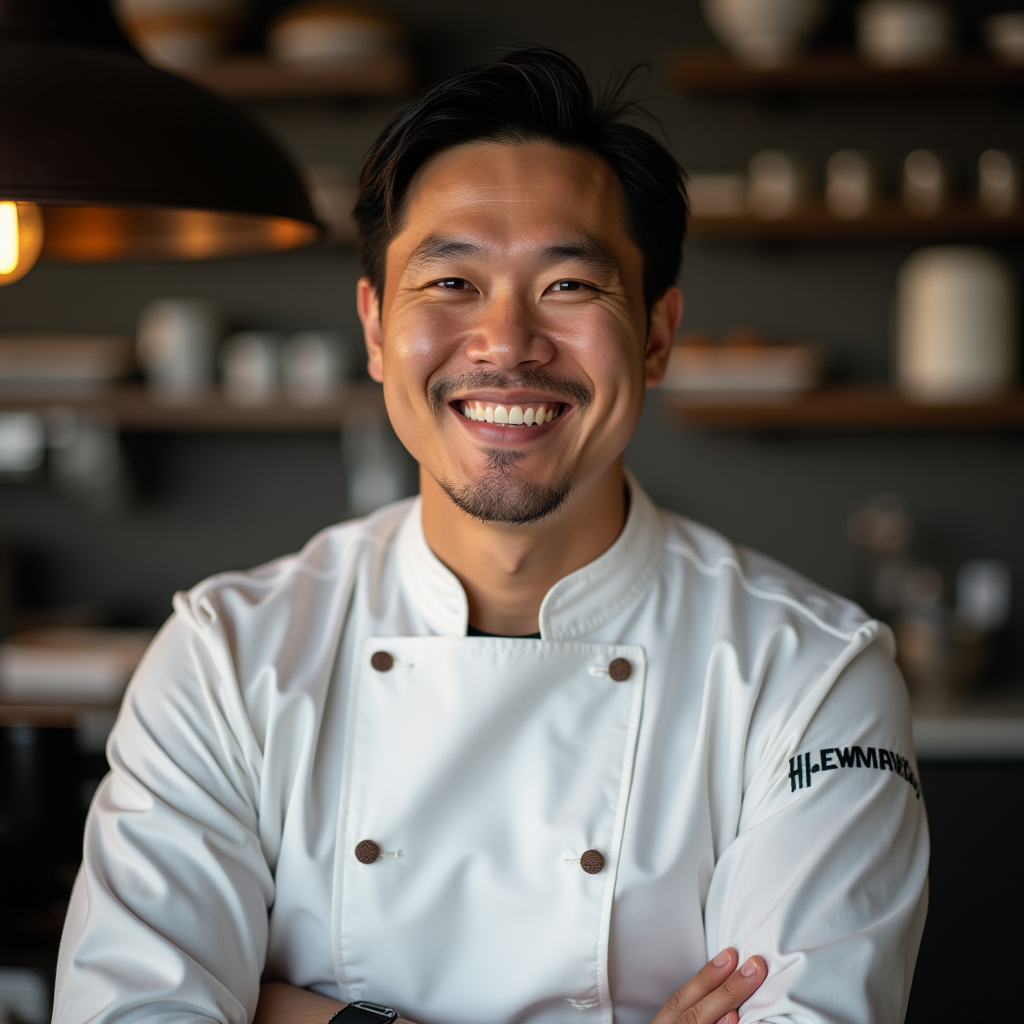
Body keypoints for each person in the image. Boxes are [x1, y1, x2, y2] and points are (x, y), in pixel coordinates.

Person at [53, 48, 928, 1024]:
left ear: (655, 334)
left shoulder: (807, 677)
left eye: (569, 286)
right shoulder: (227, 655)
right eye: (452, 283)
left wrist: (297, 1012)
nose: (507, 343)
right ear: (377, 329)